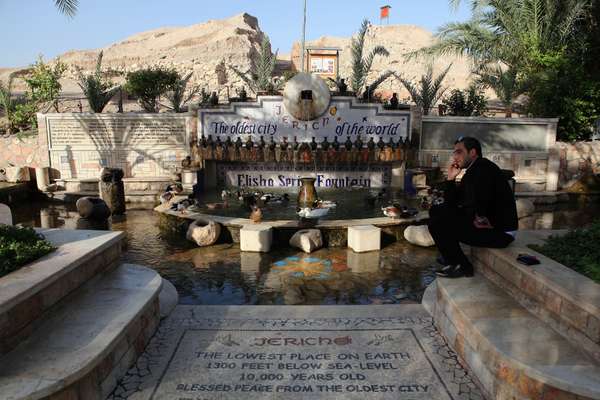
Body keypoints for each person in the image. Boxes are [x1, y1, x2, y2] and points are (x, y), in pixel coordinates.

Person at [428, 136, 518, 278]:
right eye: (454, 153)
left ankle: (461, 266)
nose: (455, 156)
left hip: (500, 233)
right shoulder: (474, 170)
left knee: (439, 222)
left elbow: (477, 204)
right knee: (437, 212)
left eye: (459, 152)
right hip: (491, 227)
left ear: (472, 152)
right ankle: (451, 258)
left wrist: (475, 218)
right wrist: (451, 179)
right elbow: (454, 201)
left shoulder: (482, 171)